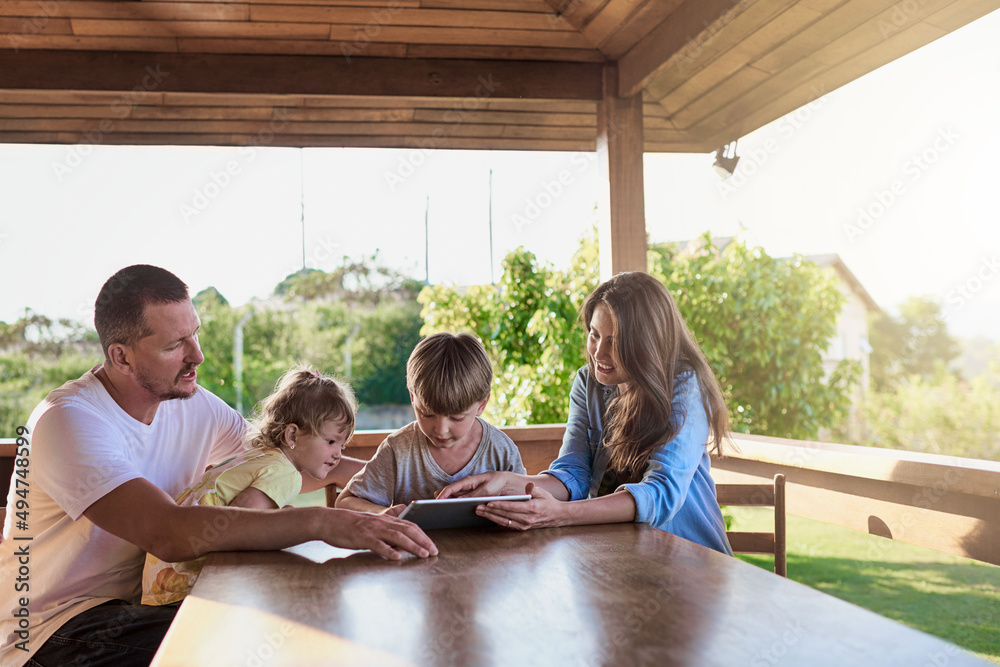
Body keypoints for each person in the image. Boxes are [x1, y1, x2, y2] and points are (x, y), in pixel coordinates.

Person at [0, 265, 436, 667]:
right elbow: (167, 532)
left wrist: (424, 491)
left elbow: (285, 463)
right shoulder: (67, 422)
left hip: (149, 603)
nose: (199, 356)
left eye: (195, 334)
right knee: (259, 641)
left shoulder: (188, 403)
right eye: (176, 345)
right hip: (53, 634)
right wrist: (323, 521)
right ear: (122, 357)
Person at [437, 271, 733, 554]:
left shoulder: (684, 385)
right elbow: (573, 474)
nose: (599, 354)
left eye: (615, 342)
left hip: (691, 562)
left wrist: (561, 515)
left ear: (648, 342)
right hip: (618, 557)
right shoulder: (588, 383)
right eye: (594, 334)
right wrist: (505, 482)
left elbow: (662, 494)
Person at [142, 365, 357, 605]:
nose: (337, 454)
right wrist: (289, 524)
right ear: (292, 435)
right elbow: (244, 517)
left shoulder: (258, 456)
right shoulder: (285, 473)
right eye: (331, 441)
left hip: (160, 582)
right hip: (188, 587)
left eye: (342, 445)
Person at [335, 332, 525, 515]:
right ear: (412, 397)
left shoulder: (501, 450)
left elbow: (527, 503)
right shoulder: (398, 449)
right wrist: (383, 513)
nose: (440, 430)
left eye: (456, 418)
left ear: (481, 405)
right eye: (426, 414)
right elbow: (345, 501)